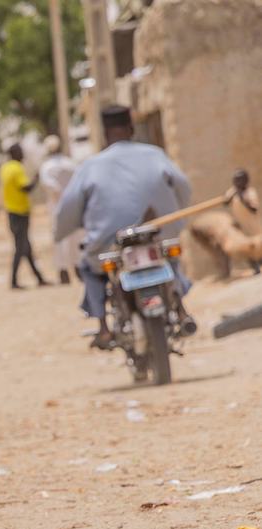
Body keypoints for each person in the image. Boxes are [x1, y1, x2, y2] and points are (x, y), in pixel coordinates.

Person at [55, 105, 194, 350]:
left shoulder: (91, 166)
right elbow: (183, 187)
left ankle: (103, 328)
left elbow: (68, 208)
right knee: (170, 261)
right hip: (158, 233)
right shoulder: (155, 154)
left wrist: (65, 231)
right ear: (131, 129)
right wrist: (175, 216)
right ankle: (181, 310)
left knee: (90, 269)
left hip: (109, 243)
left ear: (105, 133)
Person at [0, 143, 49, 289]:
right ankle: (14, 281)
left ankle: (39, 278)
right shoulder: (17, 168)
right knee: (21, 247)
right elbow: (25, 188)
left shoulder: (5, 168)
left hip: (11, 211)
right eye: (21, 151)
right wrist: (36, 178)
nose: (23, 154)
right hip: (20, 212)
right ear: (15, 153)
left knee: (25, 247)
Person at [39, 135, 82, 284]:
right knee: (76, 238)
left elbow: (51, 186)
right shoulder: (70, 164)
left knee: (60, 240)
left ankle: (64, 271)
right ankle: (77, 267)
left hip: (56, 208)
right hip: (73, 206)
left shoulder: (46, 167)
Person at [225, 168, 262, 274]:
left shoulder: (250, 192)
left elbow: (254, 209)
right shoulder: (232, 192)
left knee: (259, 245)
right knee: (246, 248)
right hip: (242, 225)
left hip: (253, 224)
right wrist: (233, 195)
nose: (237, 183)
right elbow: (226, 202)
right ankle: (255, 267)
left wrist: (242, 197)